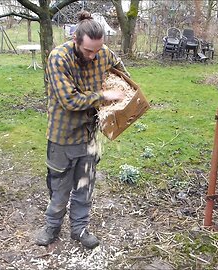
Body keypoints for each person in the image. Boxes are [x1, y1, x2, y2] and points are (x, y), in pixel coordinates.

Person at [36, 11, 129, 249]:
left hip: (90, 136)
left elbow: (124, 75)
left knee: (84, 187)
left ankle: (79, 229)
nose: (93, 55)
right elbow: (70, 100)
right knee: (60, 189)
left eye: (97, 50)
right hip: (63, 136)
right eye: (88, 51)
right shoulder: (59, 58)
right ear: (76, 39)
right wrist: (104, 95)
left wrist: (124, 91)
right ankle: (52, 227)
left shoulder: (103, 54)